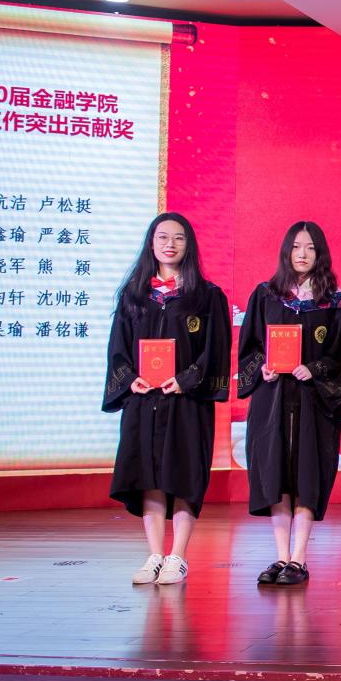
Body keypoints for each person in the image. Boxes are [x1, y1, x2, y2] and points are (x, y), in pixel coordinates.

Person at [102, 212, 231, 586]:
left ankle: (178, 556)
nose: (170, 244)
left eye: (178, 237)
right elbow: (118, 350)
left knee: (183, 475)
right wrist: (132, 380)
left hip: (186, 401)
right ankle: (155, 555)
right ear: (151, 243)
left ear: (189, 245)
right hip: (144, 401)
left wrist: (186, 379)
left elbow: (215, 350)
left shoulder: (206, 296)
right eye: (162, 237)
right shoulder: (135, 295)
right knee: (149, 477)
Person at [237, 221, 341, 586]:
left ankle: (299, 558)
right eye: (296, 247)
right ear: (286, 251)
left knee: (306, 476)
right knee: (275, 475)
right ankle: (281, 556)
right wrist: (263, 368)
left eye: (310, 248)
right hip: (271, 400)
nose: (302, 254)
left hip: (313, 400)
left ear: (321, 254)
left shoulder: (334, 302)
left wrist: (314, 369)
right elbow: (250, 348)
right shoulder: (266, 295)